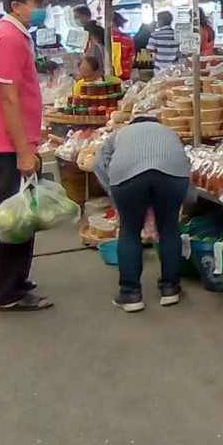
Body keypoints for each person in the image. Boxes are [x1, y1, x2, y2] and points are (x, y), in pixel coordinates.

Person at [0, 0, 52, 311]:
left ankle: (14, 280)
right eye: (38, 4)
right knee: (9, 217)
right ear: (17, 6)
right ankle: (7, 292)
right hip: (3, 144)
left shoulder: (12, 35)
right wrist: (23, 150)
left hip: (5, 140)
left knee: (17, 214)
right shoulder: (7, 38)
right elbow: (8, 98)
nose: (43, 11)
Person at [93, 115, 192, 312]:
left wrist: (113, 190)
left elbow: (98, 162)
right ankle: (170, 288)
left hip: (127, 176)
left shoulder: (119, 134)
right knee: (169, 228)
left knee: (130, 230)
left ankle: (130, 294)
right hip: (172, 175)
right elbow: (185, 162)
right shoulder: (169, 132)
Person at [112, 12, 135, 80]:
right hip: (124, 74)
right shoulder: (128, 38)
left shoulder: (105, 39)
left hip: (109, 75)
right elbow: (132, 58)